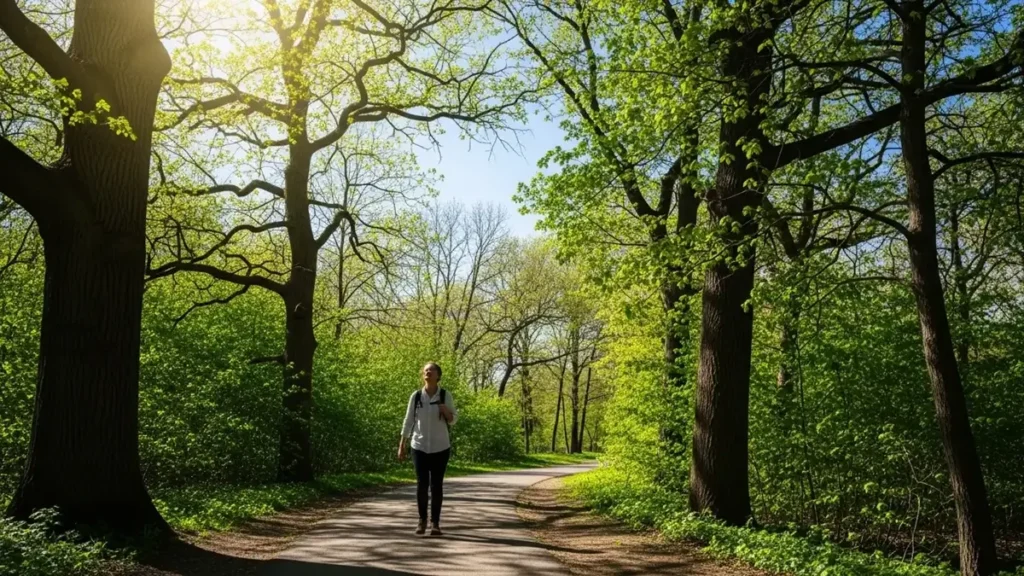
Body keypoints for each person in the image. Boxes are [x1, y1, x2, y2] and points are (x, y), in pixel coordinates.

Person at [399, 361, 457, 536]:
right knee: (422, 484)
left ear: (438, 375)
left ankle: (436, 523)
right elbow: (408, 420)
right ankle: (422, 520)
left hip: (441, 446)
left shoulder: (446, 395)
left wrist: (445, 410)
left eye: (431, 370)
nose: (428, 373)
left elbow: (453, 420)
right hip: (419, 446)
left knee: (436, 485)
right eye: (425, 370)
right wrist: (402, 444)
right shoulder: (416, 396)